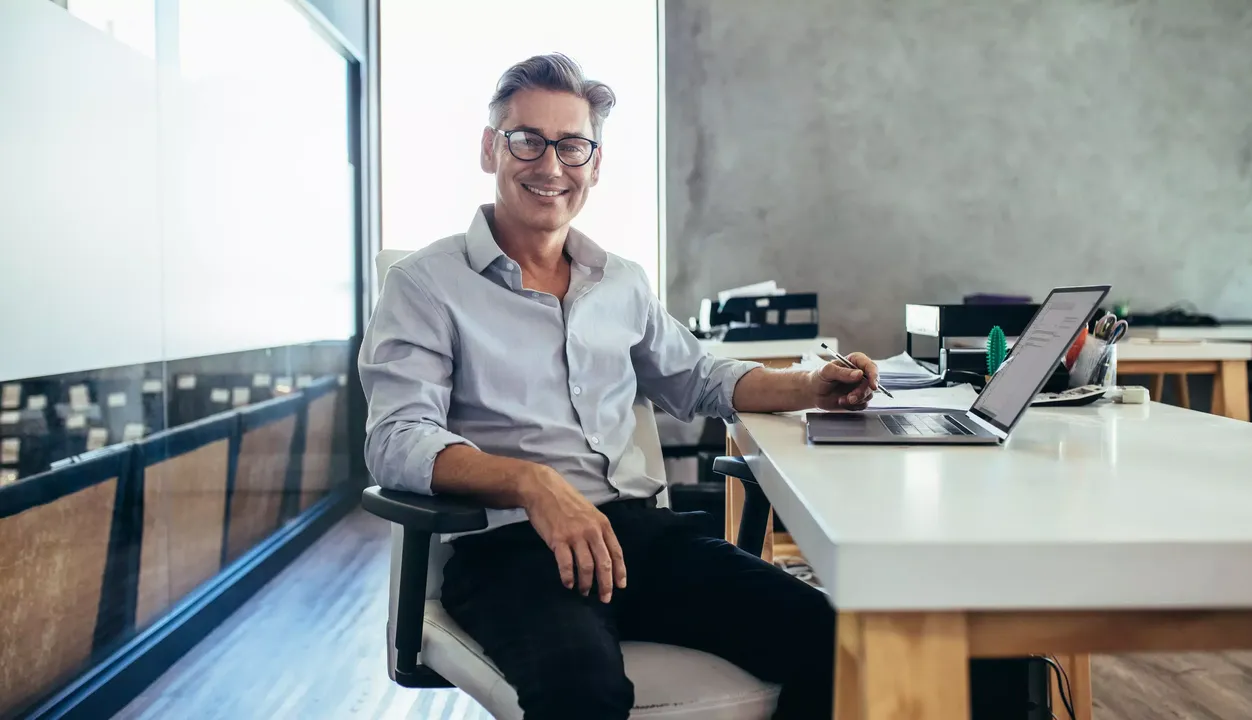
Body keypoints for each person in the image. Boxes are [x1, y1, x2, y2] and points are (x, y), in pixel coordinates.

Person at [359, 53, 878, 720]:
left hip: (639, 537)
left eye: (571, 145)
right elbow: (397, 437)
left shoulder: (621, 281)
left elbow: (698, 377)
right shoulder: (427, 285)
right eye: (527, 140)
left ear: (595, 163)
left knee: (839, 643)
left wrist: (813, 385)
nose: (550, 166)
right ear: (491, 148)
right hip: (513, 552)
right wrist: (534, 483)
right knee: (583, 692)